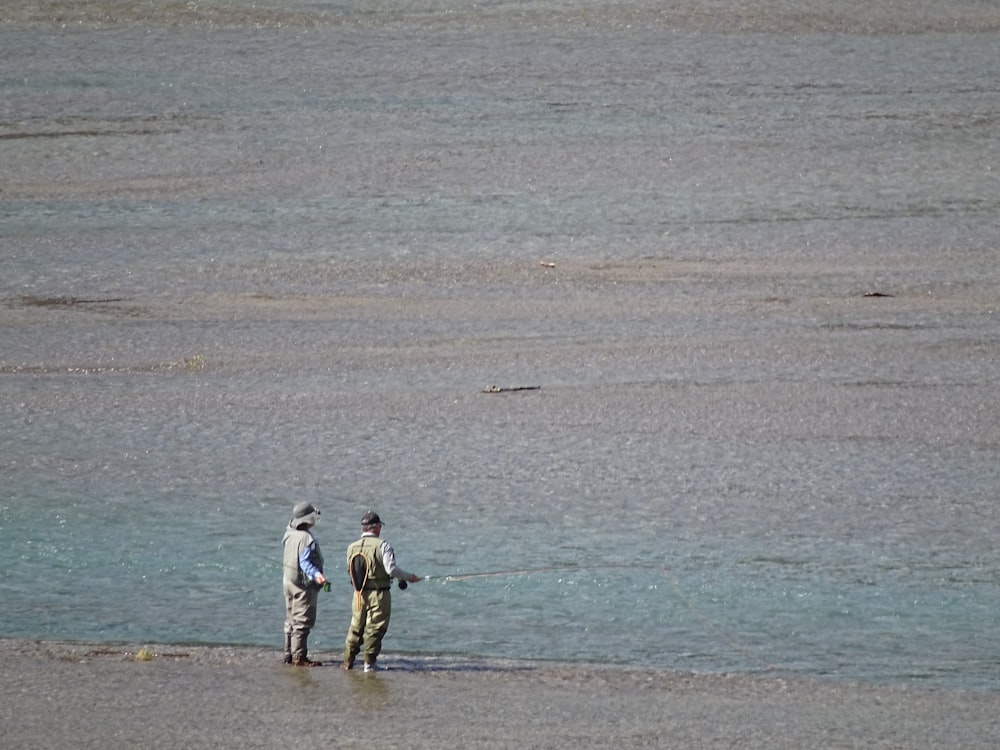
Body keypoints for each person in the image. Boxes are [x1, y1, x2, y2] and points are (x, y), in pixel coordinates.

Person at [342, 511, 421, 672]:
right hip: (379, 594)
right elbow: (390, 569)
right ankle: (369, 664)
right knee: (375, 628)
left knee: (356, 627)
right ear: (376, 527)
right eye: (379, 526)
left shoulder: (351, 547)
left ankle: (347, 661)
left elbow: (350, 570)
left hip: (358, 594)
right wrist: (409, 577)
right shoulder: (383, 545)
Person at [282, 501, 326, 666]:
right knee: (302, 621)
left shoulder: (289, 533)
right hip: (303, 585)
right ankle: (299, 657)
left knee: (290, 620)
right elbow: (305, 562)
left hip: (288, 582)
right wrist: (318, 576)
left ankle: (288, 654)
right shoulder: (307, 538)